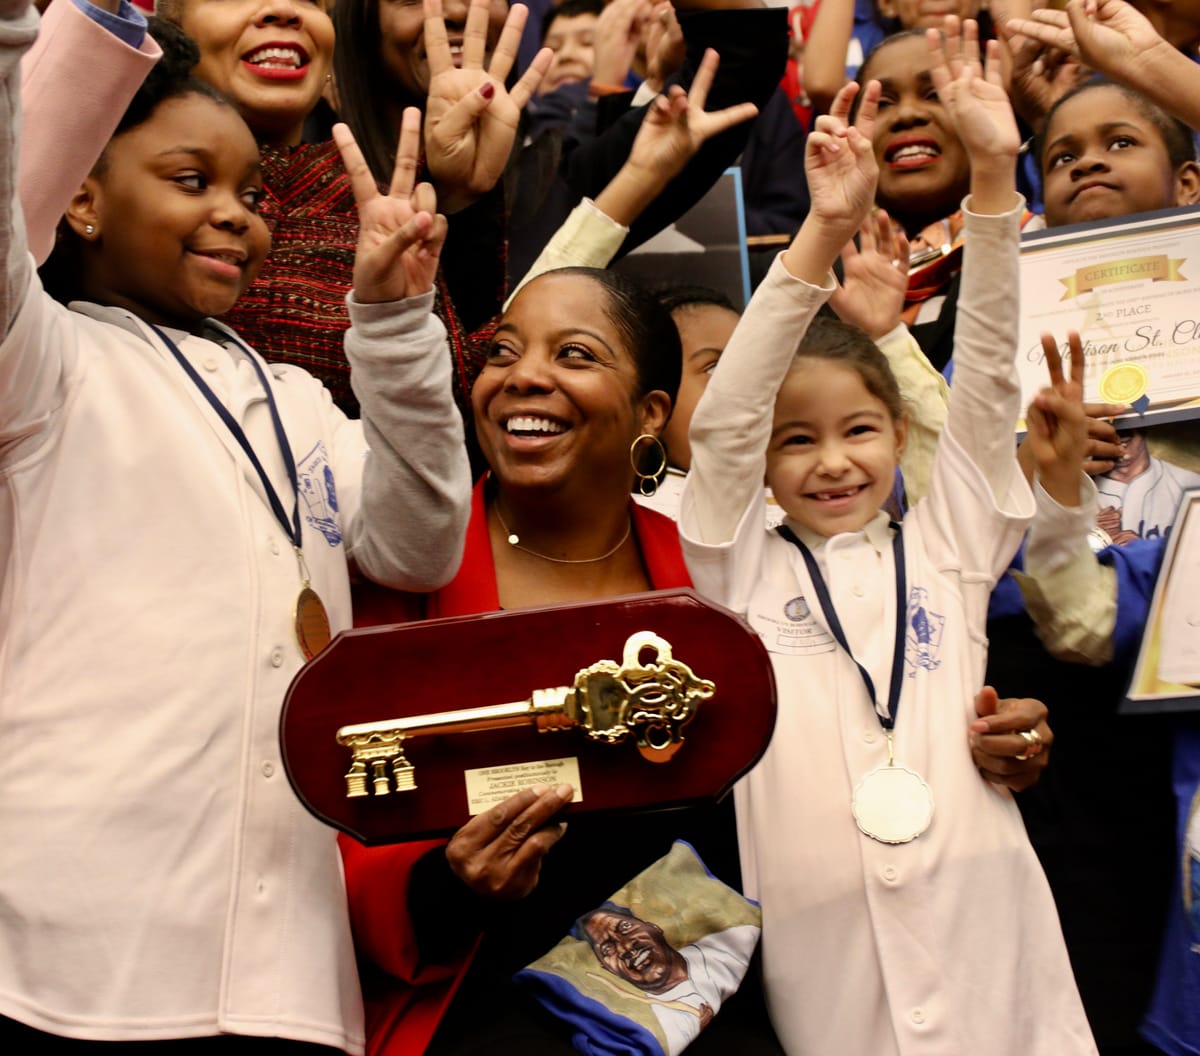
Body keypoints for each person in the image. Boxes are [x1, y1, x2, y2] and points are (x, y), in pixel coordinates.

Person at [0, 4, 471, 1047]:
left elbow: (419, 540)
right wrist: (14, 37)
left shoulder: (297, 400)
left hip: (286, 972)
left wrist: (393, 325)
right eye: (191, 181)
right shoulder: (43, 365)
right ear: (80, 196)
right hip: (66, 947)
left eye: (253, 193)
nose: (238, 214)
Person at [679, 22, 1096, 1054]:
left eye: (859, 431)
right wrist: (817, 239)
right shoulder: (734, 566)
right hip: (825, 948)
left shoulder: (951, 545)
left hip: (987, 919)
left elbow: (989, 368)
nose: (832, 461)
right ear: (761, 465)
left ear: (902, 435)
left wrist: (998, 182)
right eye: (796, 441)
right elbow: (727, 417)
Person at [578, 905, 758, 1055]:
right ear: (607, 969)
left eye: (625, 927)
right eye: (608, 950)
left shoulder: (732, 942)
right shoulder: (655, 1029)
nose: (626, 948)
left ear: (654, 927)